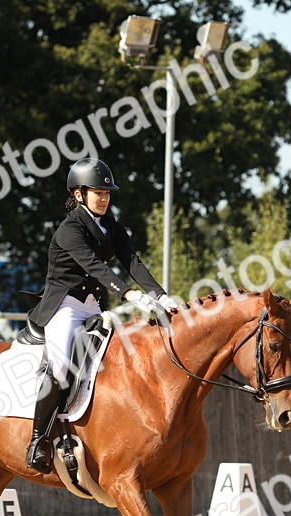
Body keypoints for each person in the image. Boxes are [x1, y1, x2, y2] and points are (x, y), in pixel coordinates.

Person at [24, 157, 179, 474]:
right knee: (61, 365)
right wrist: (128, 293)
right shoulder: (69, 231)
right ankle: (37, 440)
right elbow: (95, 267)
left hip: (94, 307)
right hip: (63, 307)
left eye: (107, 193)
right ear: (79, 194)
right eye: (98, 193)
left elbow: (132, 261)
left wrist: (159, 294)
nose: (104, 198)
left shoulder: (112, 226)